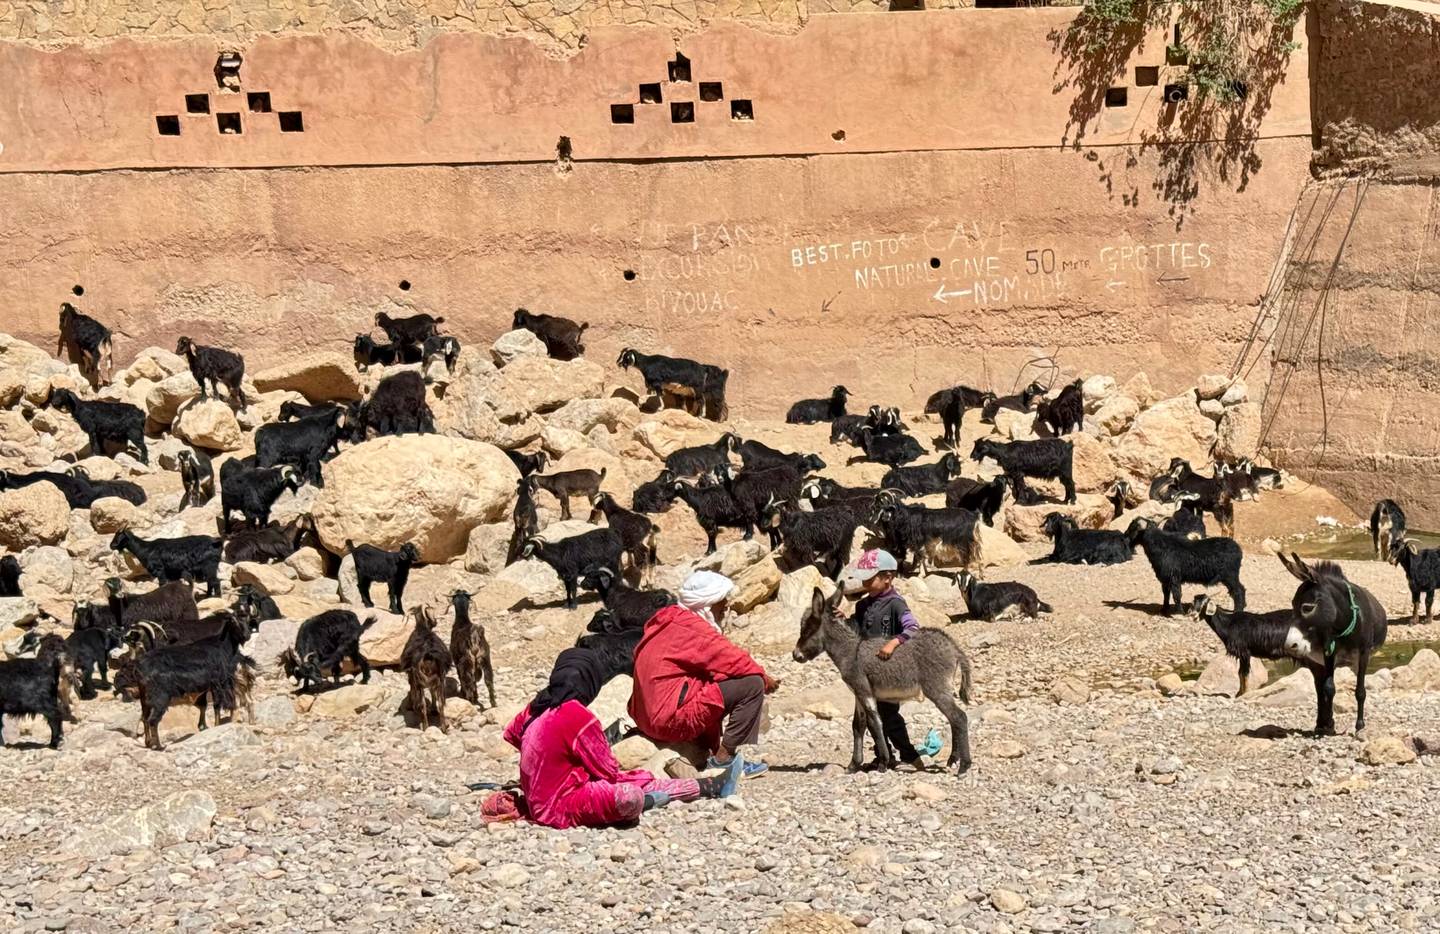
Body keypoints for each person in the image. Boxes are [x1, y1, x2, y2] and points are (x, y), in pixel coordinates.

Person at [503, 645, 743, 829]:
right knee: (628, 792)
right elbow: (608, 770)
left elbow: (513, 735)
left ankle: (706, 787)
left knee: (634, 781)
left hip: (536, 802)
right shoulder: (577, 715)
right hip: (561, 806)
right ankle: (681, 793)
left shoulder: (535, 707)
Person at [628, 570, 776, 777]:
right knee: (752, 684)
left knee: (712, 679)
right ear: (707, 605)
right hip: (666, 721)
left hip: (645, 718)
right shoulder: (692, 628)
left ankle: (709, 750)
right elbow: (733, 659)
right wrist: (765, 679)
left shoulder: (667, 620)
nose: (725, 609)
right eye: (722, 604)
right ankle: (724, 760)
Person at [842, 549, 941, 768]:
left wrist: (893, 643)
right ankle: (883, 756)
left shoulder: (896, 604)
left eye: (870, 577)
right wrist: (842, 621)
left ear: (888, 577)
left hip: (889, 670)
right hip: (868, 671)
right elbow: (856, 630)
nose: (865, 582)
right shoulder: (862, 606)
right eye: (863, 577)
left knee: (888, 714)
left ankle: (909, 755)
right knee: (871, 714)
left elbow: (912, 628)